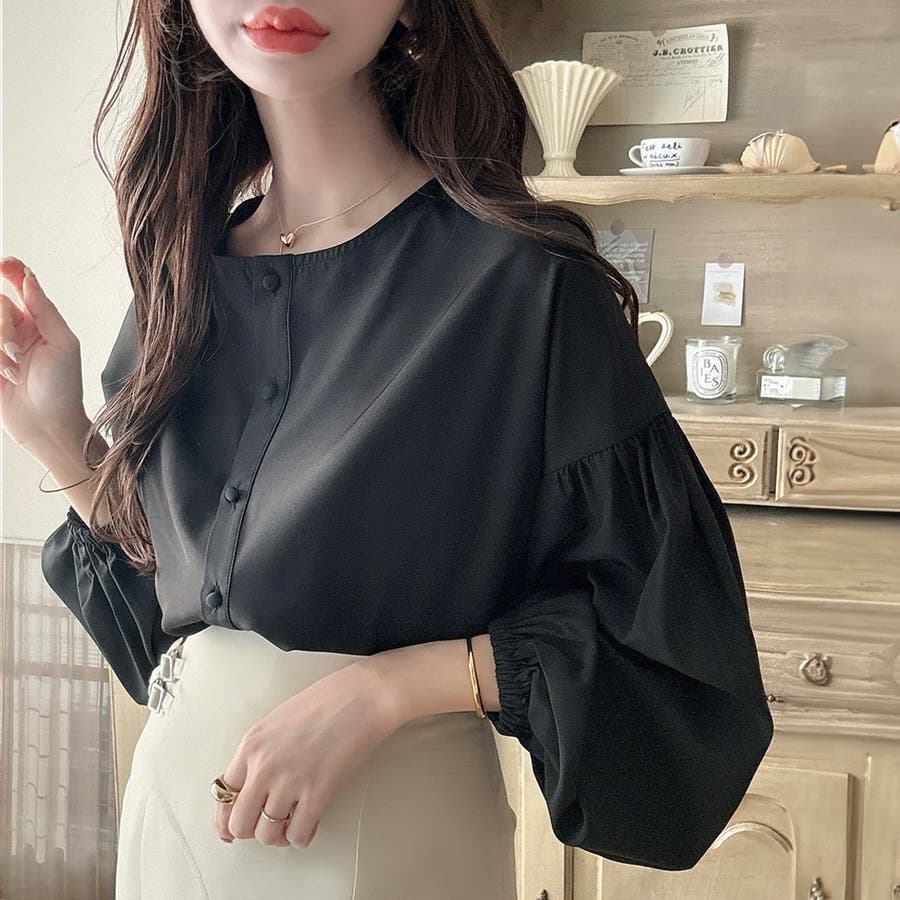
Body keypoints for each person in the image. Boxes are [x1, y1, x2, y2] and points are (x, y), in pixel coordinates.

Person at [0, 0, 775, 897]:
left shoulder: (522, 289)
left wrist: (393, 688)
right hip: (174, 835)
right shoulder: (177, 286)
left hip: (387, 843)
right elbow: (166, 630)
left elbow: (676, 671)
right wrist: (59, 438)